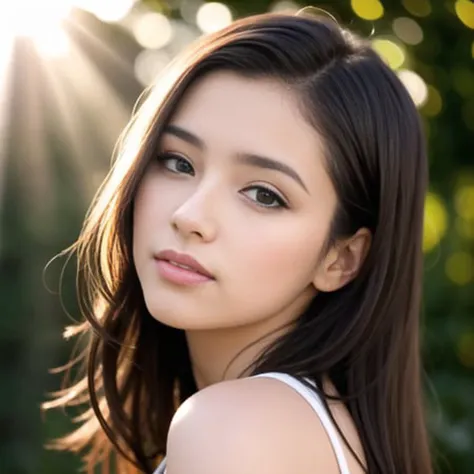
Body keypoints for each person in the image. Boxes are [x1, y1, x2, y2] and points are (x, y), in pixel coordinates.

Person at [43, 10, 434, 474]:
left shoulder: (233, 430)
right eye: (177, 162)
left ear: (341, 257)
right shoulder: (313, 430)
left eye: (264, 195)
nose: (189, 216)